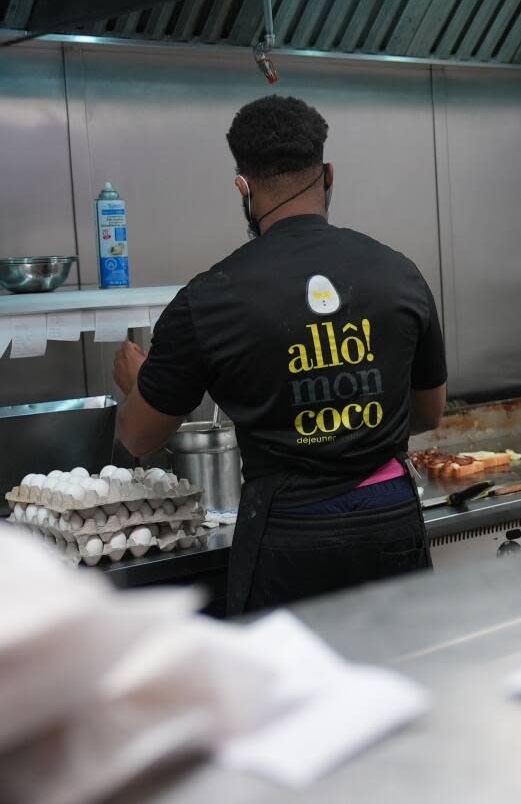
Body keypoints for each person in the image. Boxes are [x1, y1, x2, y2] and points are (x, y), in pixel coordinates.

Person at [112, 95, 448, 614]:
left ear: (242, 187)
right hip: (391, 519)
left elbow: (137, 436)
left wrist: (140, 382)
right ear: (329, 175)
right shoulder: (400, 273)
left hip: (291, 533)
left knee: (296, 689)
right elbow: (428, 414)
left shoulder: (210, 297)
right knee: (398, 683)